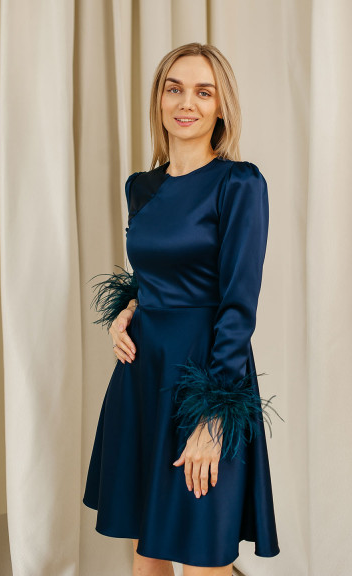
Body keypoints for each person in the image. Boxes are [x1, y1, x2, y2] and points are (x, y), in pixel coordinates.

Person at [83, 42, 283, 575]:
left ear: (221, 107)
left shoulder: (239, 183)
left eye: (203, 92)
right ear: (159, 99)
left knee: (201, 557)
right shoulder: (141, 187)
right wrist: (128, 307)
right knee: (146, 555)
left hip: (206, 377)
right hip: (141, 379)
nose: (186, 102)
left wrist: (213, 416)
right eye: (174, 89)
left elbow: (238, 305)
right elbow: (157, 270)